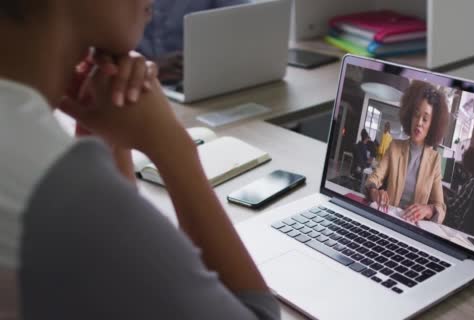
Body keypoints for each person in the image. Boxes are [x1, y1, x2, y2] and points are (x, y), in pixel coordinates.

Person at [0, 1, 278, 319]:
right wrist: (172, 147)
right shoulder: (57, 185)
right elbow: (257, 313)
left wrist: (108, 139)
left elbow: (114, 277)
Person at [365, 81, 449, 224]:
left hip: (413, 228)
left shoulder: (434, 160)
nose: (419, 123)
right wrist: (375, 192)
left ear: (432, 125)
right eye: (416, 115)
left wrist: (428, 210)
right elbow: (373, 179)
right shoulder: (395, 147)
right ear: (409, 115)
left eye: (425, 119)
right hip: (387, 220)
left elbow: (440, 208)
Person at [138, 0, 250, 82]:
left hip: (198, 80)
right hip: (135, 81)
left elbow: (240, 35)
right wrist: (151, 66)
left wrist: (198, 65)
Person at [444, 147, 474, 233]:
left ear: (468, 163)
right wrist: (453, 194)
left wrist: (442, 195)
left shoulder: (471, 185)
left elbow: (452, 207)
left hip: (456, 225)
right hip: (468, 228)